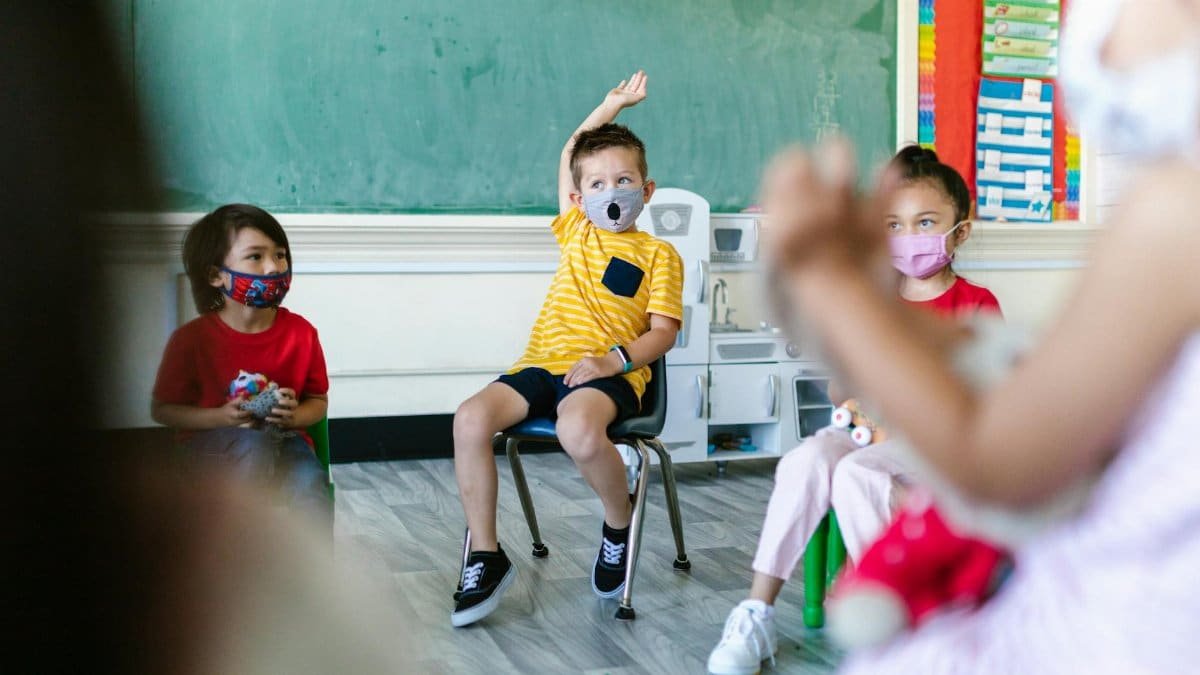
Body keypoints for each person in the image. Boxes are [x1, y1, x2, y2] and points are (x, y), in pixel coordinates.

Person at [759, 0, 1200, 671]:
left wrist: (831, 284)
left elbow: (1000, 461)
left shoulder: (1177, 206)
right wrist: (865, 318)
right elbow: (1042, 383)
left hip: (1117, 630)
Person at [707, 146, 1000, 675]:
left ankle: (893, 613)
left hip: (928, 441)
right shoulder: (874, 300)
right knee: (805, 461)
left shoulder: (976, 303)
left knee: (860, 474)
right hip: (867, 430)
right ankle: (756, 611)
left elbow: (982, 396)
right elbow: (839, 389)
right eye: (894, 224)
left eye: (925, 222)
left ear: (959, 232)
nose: (908, 236)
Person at [450, 69, 683, 627]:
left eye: (623, 180)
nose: (610, 191)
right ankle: (486, 555)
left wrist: (612, 361)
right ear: (579, 198)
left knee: (576, 430)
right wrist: (609, 106)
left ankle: (618, 521)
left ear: (647, 190)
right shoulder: (576, 229)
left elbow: (664, 332)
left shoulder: (660, 256)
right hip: (540, 367)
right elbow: (570, 153)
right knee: (469, 418)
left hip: (609, 376)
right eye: (596, 184)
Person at [151, 204, 331, 523]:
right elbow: (163, 410)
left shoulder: (302, 334)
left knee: (309, 486)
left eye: (280, 255)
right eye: (255, 256)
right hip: (210, 446)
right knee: (253, 451)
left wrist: (294, 416)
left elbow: (318, 401)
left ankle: (306, 558)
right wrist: (221, 417)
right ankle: (236, 550)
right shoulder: (191, 340)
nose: (273, 267)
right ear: (215, 275)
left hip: (285, 441)